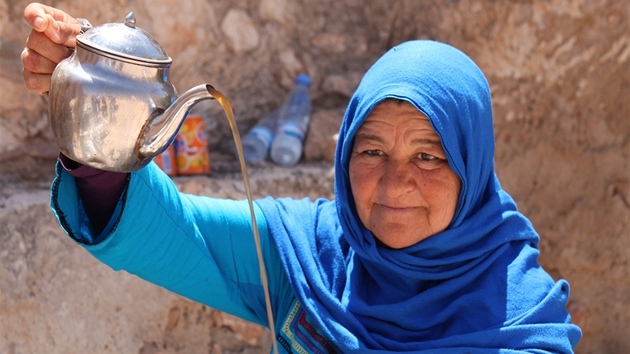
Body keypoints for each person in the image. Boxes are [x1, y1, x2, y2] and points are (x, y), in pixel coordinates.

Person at [22, 3, 582, 353]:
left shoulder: (520, 324)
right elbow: (169, 230)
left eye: (429, 158)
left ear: (473, 164)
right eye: (371, 151)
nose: (392, 185)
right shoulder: (312, 257)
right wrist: (93, 107)